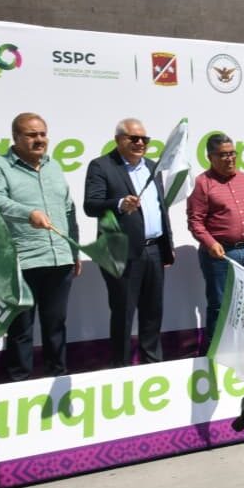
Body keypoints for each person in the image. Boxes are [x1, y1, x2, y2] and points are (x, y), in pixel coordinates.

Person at [0, 113, 80, 381]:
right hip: (23, 261)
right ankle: (18, 384)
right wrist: (27, 213)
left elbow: (68, 210)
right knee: (21, 329)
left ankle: (57, 378)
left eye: (42, 134)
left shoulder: (54, 166)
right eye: (32, 135)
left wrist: (73, 252)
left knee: (56, 325)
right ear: (16, 138)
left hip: (59, 259)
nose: (39, 139)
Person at [84, 118, 175, 368]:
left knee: (152, 314)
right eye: (133, 138)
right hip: (121, 253)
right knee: (124, 315)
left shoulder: (151, 166)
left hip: (154, 249)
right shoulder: (102, 166)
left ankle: (153, 366)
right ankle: (121, 369)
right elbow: (91, 205)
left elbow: (160, 209)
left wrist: (168, 245)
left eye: (144, 139)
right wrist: (118, 204)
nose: (139, 143)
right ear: (118, 140)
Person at [186, 133, 244, 349]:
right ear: (210, 157)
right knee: (220, 305)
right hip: (219, 256)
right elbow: (195, 221)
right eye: (223, 155)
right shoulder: (202, 183)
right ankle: (216, 351)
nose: (230, 159)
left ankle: (242, 350)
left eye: (232, 154)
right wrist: (210, 243)